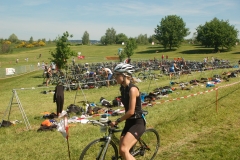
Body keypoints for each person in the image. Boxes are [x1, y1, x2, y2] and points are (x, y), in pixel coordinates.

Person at [110, 63, 146, 160]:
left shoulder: (132, 89)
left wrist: (117, 121)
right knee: (122, 151)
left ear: (124, 75)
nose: (115, 77)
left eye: (117, 75)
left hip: (137, 122)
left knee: (124, 149)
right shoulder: (123, 88)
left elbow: (131, 112)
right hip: (129, 122)